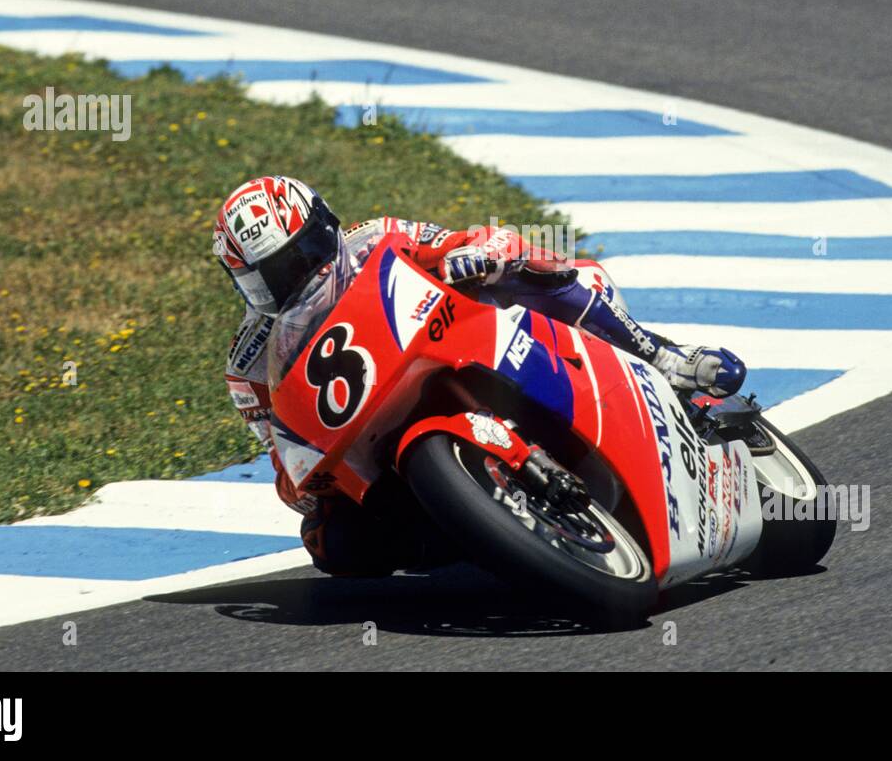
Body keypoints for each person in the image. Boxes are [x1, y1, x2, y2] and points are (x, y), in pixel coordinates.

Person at [213, 175, 746, 576]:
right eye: (272, 278)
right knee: (330, 541)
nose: (302, 277)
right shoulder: (247, 364)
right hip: (374, 439)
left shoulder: (376, 237)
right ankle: (483, 540)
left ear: (326, 229)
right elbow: (284, 462)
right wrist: (306, 483)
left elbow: (480, 239)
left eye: (303, 255)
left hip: (465, 344)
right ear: (246, 287)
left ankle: (660, 355)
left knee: (525, 265)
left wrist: (478, 255)